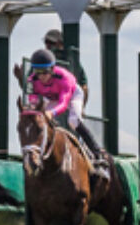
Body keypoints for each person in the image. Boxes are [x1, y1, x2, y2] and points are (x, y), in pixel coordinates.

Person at [26, 48, 109, 177]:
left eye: (45, 72)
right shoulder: (32, 81)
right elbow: (33, 102)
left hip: (72, 96)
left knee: (73, 121)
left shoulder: (65, 78)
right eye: (38, 72)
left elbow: (64, 104)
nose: (41, 76)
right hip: (52, 98)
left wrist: (51, 113)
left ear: (52, 70)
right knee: (39, 120)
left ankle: (96, 151)